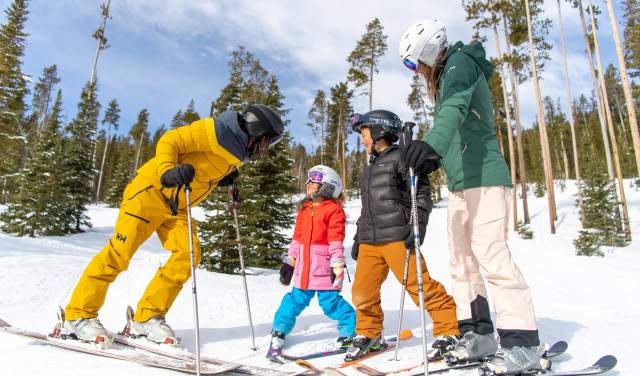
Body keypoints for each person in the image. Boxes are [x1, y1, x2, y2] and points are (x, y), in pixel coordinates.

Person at [61, 104, 284, 347]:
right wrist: (167, 170)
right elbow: (171, 140)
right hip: (149, 194)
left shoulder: (237, 152)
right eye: (265, 141)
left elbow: (201, 168)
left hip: (176, 206)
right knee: (119, 254)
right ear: (253, 128)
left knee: (188, 254)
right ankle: (77, 315)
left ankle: (146, 317)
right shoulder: (214, 131)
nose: (265, 147)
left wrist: (222, 179)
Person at [398, 19, 543, 374]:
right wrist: (435, 159)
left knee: (492, 256)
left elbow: (455, 110)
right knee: (462, 263)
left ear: (430, 51)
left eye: (415, 62)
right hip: (462, 184)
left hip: (486, 177)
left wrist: (432, 144)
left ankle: (523, 343)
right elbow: (457, 121)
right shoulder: (446, 75)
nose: (417, 71)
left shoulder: (461, 64)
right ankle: (477, 334)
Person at [346, 109, 460, 362]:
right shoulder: (369, 169)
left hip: (397, 235)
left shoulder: (402, 159)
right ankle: (369, 333)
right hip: (369, 240)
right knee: (362, 292)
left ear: (378, 131)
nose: (362, 140)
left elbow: (420, 195)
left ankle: (448, 328)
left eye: (364, 133)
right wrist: (357, 238)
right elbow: (367, 209)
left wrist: (418, 224)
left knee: (419, 286)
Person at [267, 165, 355, 362]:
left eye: (314, 179)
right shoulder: (305, 209)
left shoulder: (334, 211)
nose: (309, 183)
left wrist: (337, 266)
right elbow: (297, 239)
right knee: (293, 301)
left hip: (323, 267)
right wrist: (290, 262)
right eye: (308, 178)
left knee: (330, 303)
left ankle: (350, 331)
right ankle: (279, 331)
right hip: (303, 268)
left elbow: (335, 241)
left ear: (328, 185)